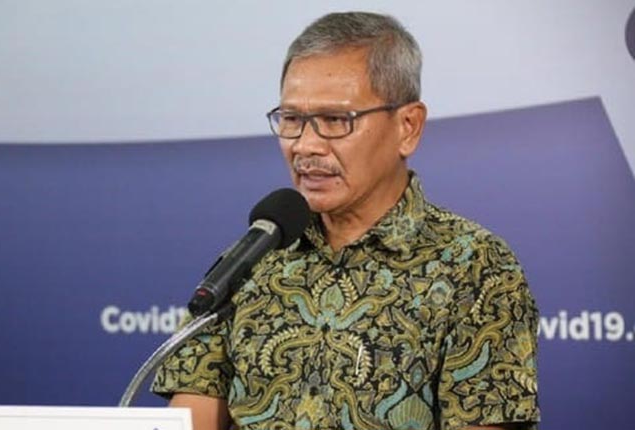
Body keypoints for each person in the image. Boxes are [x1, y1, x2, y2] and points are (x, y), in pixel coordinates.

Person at [152, 11, 540, 430]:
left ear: (408, 127)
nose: (305, 146)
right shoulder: (252, 259)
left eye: (335, 120)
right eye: (292, 119)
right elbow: (191, 416)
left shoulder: (475, 267)